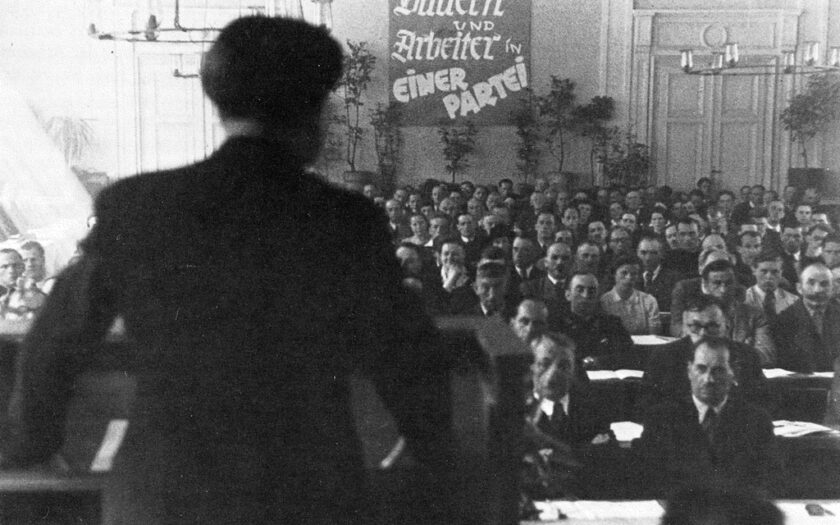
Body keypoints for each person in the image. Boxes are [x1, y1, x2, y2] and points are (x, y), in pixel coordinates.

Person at [2, 17, 455, 524]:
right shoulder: (347, 221)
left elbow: (54, 341)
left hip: (163, 497)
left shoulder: (137, 206)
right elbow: (408, 358)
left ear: (219, 101)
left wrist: (31, 447)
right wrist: (430, 453)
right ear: (313, 111)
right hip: (310, 497)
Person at [637, 336, 779, 496]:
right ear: (689, 371)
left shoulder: (756, 421)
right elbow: (650, 480)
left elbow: (766, 481)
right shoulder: (661, 418)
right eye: (701, 369)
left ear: (733, 373)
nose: (708, 379)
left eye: (718, 370)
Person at [522, 332, 614, 499]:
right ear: (532, 367)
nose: (553, 374)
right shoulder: (518, 409)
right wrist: (583, 452)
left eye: (563, 366)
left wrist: (551, 456)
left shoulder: (592, 406)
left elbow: (606, 459)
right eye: (544, 364)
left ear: (573, 371)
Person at [640, 295, 767, 411]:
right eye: (695, 326)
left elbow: (760, 405)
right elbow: (649, 408)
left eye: (712, 326)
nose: (703, 333)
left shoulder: (746, 355)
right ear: (684, 327)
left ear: (727, 325)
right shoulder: (663, 356)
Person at [556, 272, 634, 372]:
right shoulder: (556, 324)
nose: (586, 295)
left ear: (598, 295)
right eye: (580, 290)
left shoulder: (612, 323)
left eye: (591, 291)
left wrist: (597, 362)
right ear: (568, 295)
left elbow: (629, 355)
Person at [774, 261, 840, 372]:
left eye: (824, 284)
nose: (817, 290)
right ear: (799, 288)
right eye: (811, 283)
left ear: (833, 289)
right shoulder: (784, 320)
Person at [600, 256, 661, 335]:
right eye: (624, 273)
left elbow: (654, 336)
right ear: (614, 274)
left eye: (634, 274)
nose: (629, 277)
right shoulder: (604, 301)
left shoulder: (649, 301)